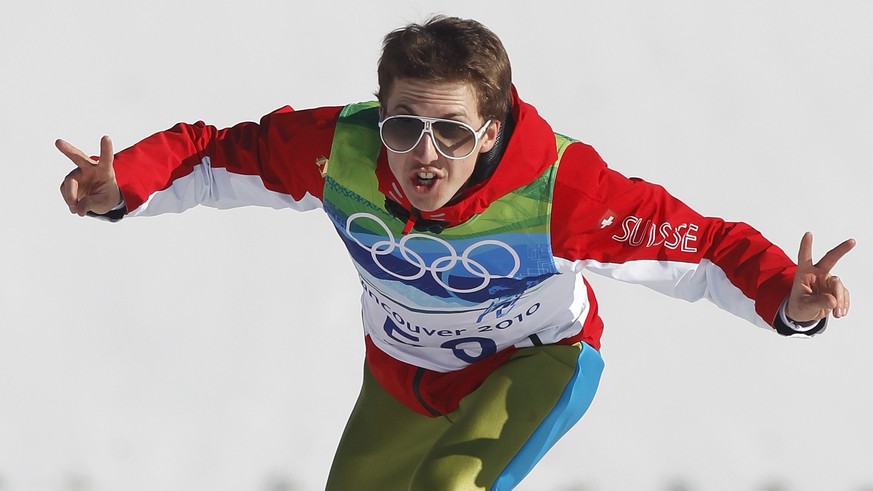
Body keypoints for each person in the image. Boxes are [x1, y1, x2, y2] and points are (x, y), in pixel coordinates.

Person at [57, 16, 854, 491]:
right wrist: (121, 182)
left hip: (537, 362)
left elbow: (703, 247)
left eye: (451, 131)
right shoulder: (338, 147)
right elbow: (214, 154)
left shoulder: (560, 188)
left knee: (451, 488)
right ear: (381, 117)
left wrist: (789, 296)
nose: (423, 155)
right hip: (401, 371)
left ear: (492, 129)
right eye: (404, 127)